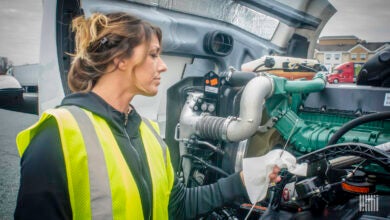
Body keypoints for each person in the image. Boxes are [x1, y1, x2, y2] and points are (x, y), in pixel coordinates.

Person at [15, 12, 280, 219]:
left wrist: (244, 180)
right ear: (120, 59)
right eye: (153, 54)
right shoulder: (57, 135)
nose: (162, 66)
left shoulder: (149, 134)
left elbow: (176, 207)